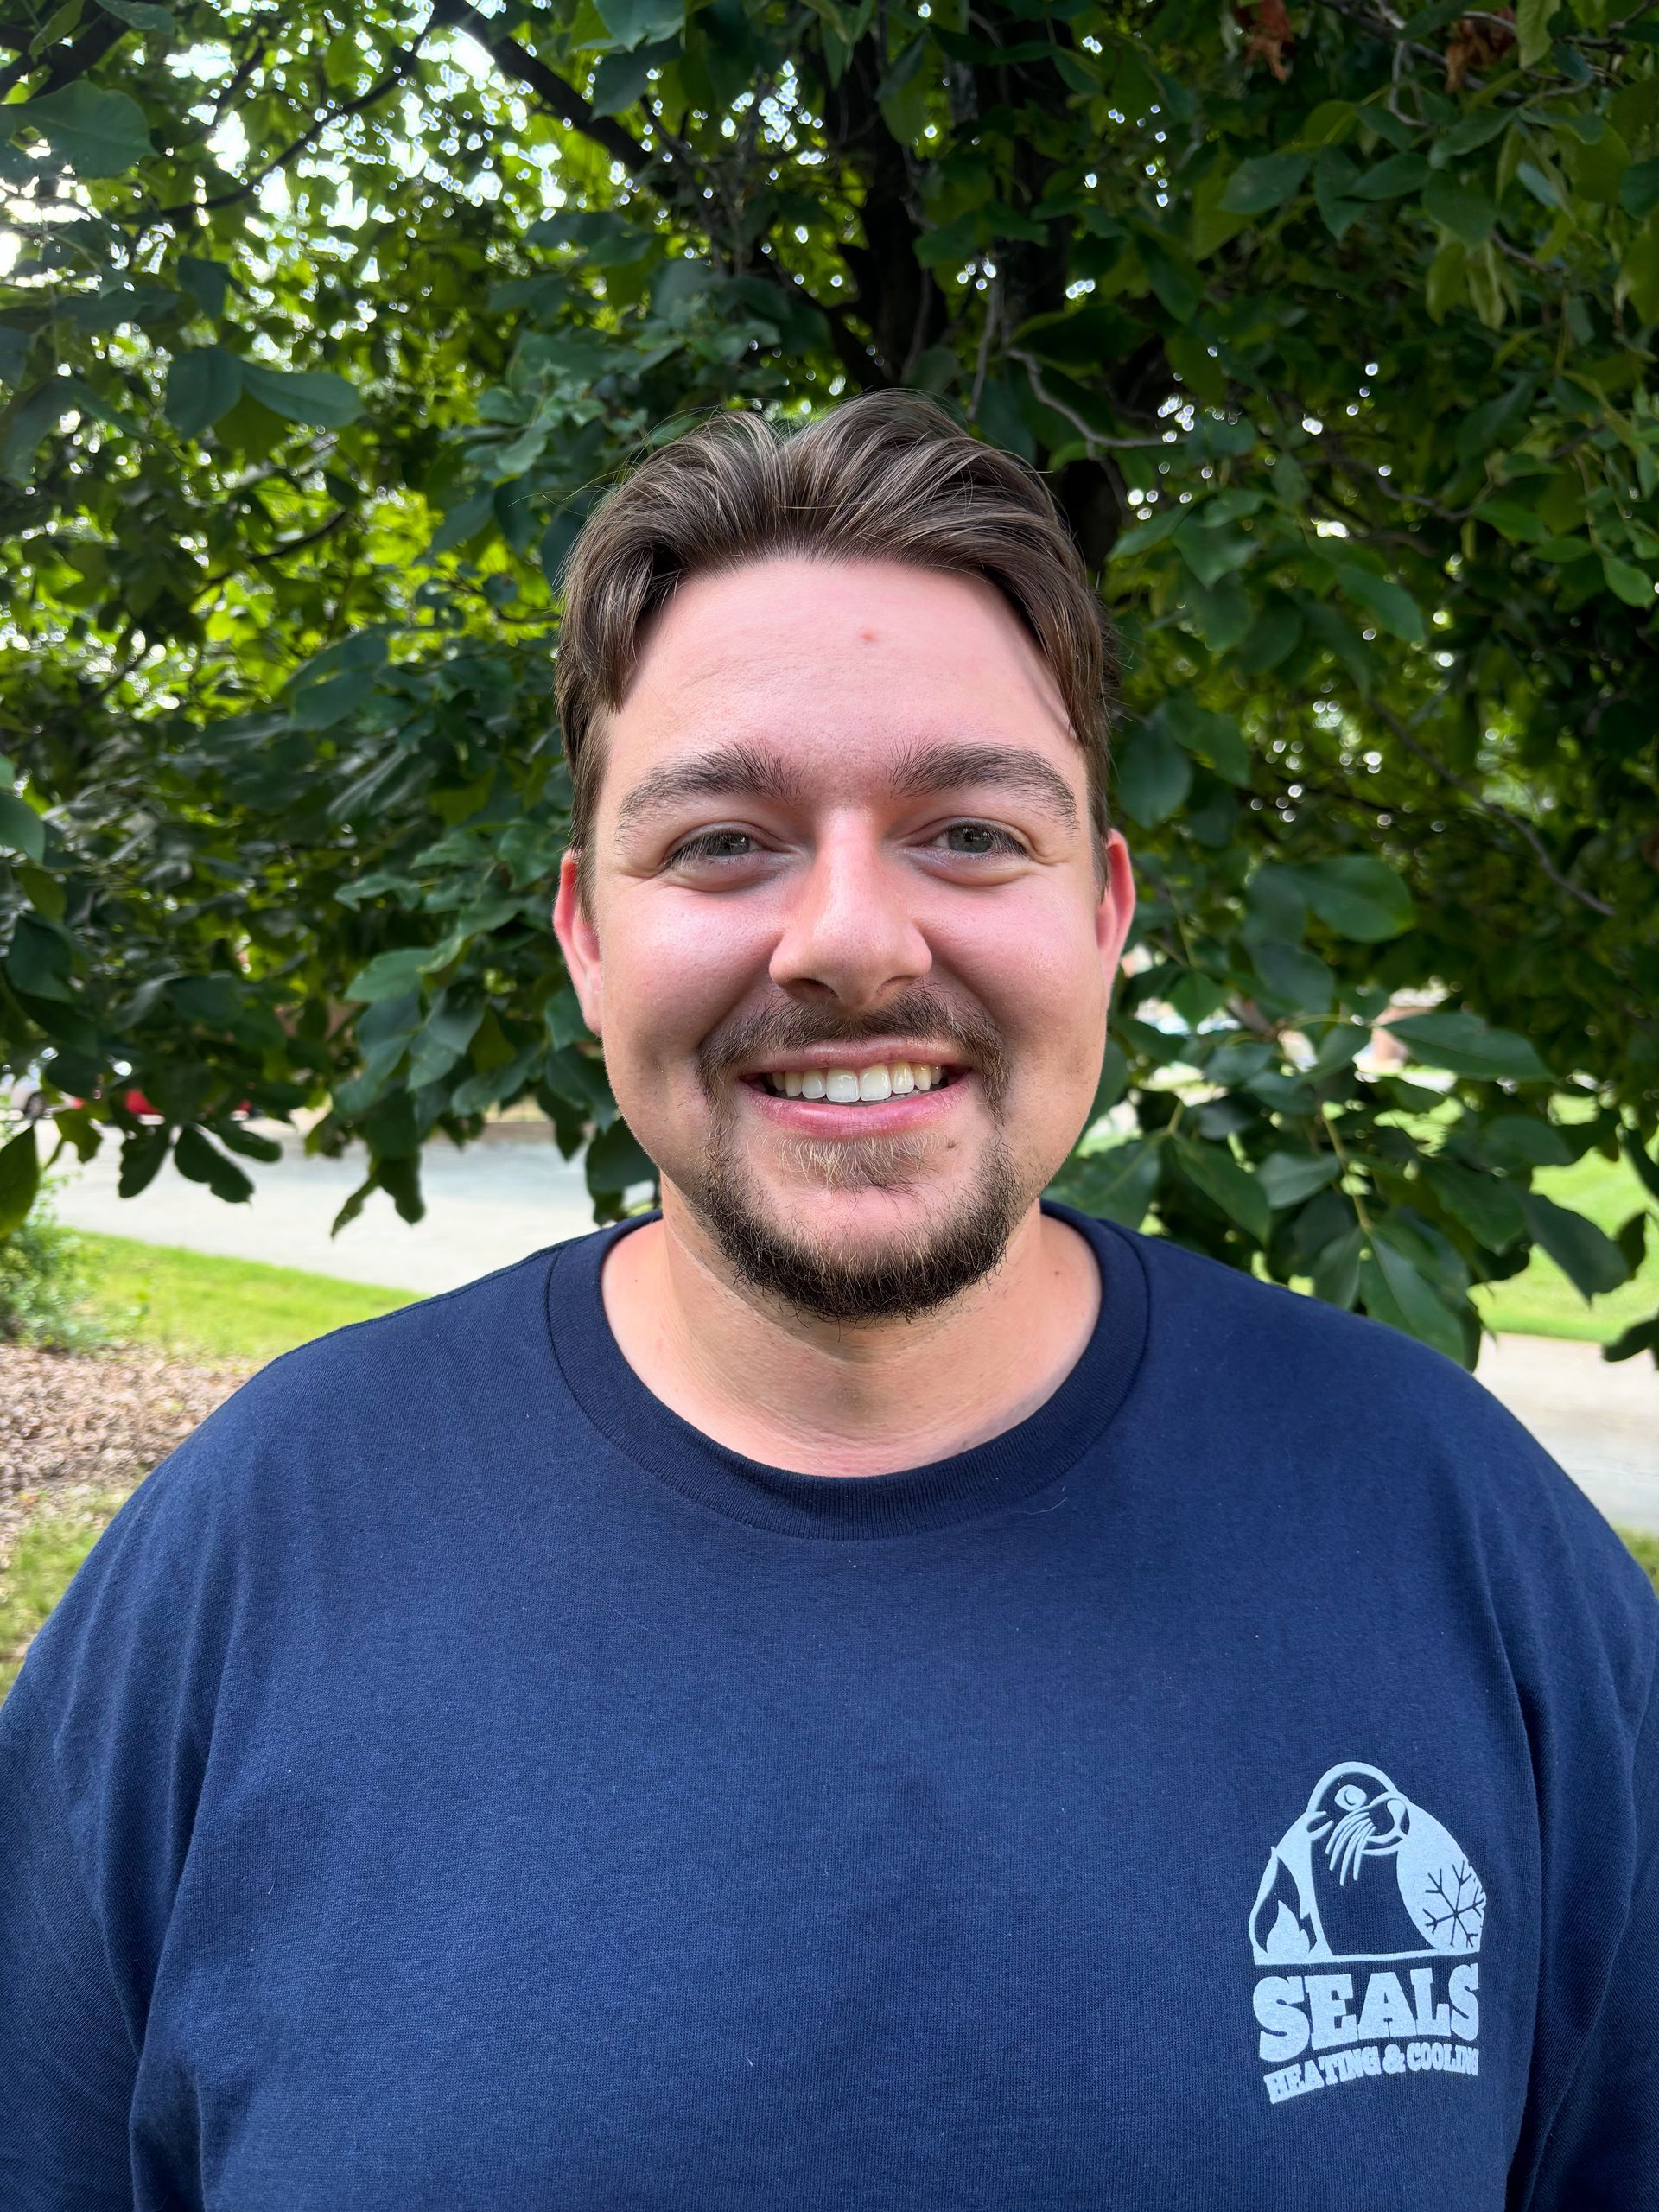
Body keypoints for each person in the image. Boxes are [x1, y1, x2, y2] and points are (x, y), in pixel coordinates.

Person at [1, 394, 1653, 2210]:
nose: (853, 939)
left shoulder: (1454, 1538)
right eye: (723, 839)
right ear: (586, 932)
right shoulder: (252, 1563)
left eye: (967, 831)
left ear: (1104, 909)